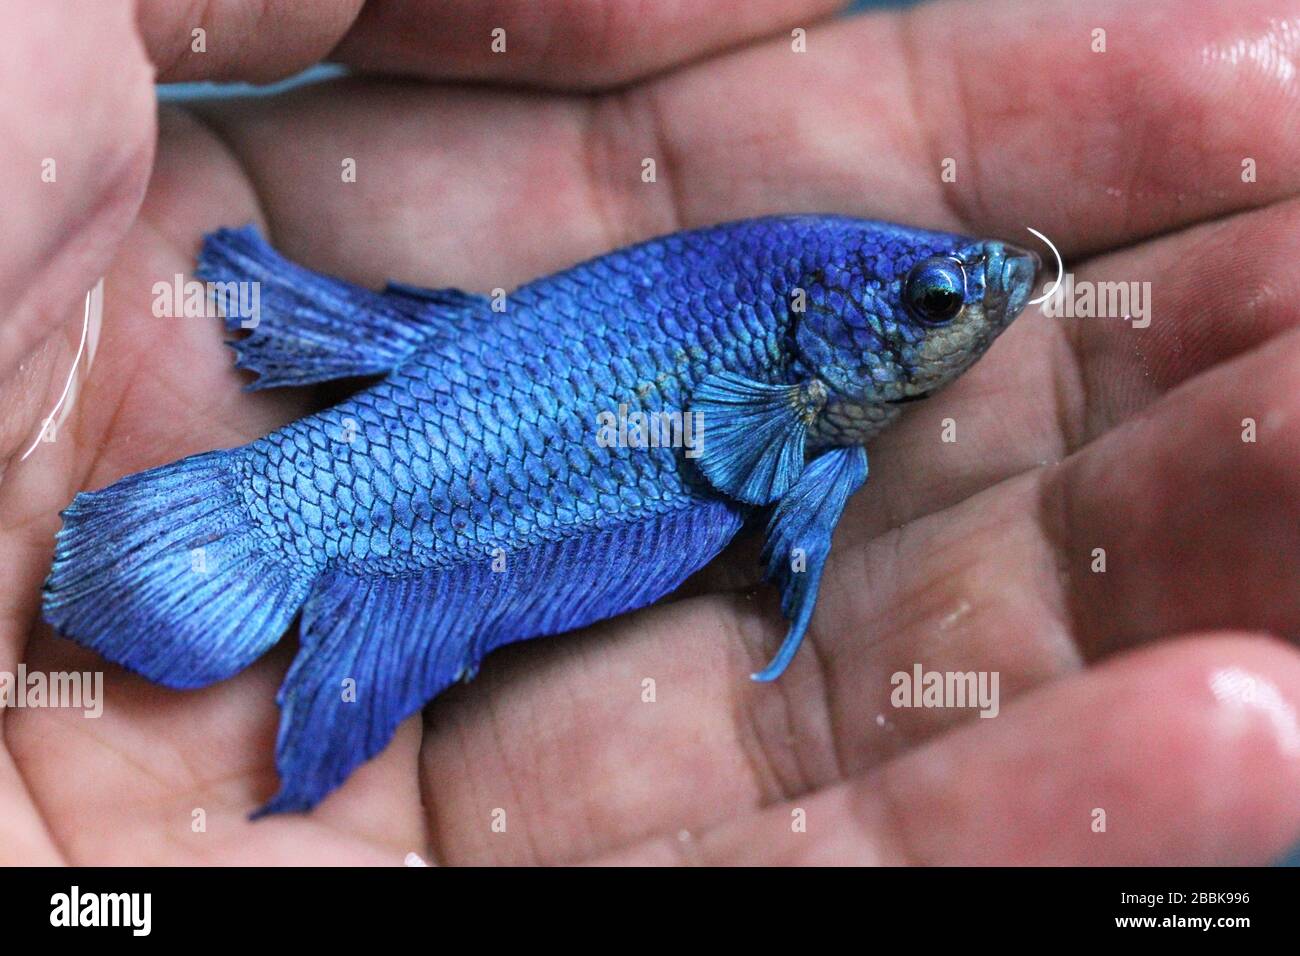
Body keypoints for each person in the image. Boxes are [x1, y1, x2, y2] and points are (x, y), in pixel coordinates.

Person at [2, 0, 1299, 865]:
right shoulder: (798, 389)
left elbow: (752, 460)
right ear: (824, 327)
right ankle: (283, 536)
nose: (976, 311)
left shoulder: (817, 396)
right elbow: (744, 453)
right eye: (931, 302)